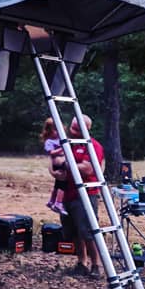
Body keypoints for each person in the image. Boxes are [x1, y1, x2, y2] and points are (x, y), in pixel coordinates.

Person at [51, 114, 105, 278]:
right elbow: (55, 165)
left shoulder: (92, 146)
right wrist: (57, 168)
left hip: (86, 195)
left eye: (76, 128)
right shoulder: (68, 145)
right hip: (67, 193)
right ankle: (82, 263)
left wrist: (65, 165)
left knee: (87, 231)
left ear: (86, 129)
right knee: (73, 232)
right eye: (72, 127)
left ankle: (96, 265)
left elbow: (87, 169)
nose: (72, 131)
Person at [40, 117, 67, 215]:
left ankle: (51, 201)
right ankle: (58, 203)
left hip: (61, 161)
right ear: (49, 131)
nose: (57, 132)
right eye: (55, 130)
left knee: (57, 185)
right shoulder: (49, 142)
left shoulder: (60, 139)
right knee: (63, 184)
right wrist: (62, 148)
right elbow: (52, 153)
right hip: (57, 164)